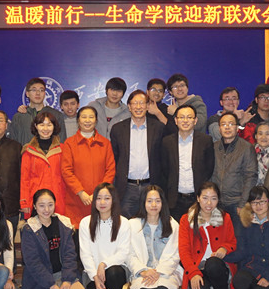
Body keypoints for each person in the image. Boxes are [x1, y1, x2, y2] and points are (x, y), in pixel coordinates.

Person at [20, 189, 88, 289]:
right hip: (42, 280)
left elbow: (70, 254)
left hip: (61, 274)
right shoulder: (29, 229)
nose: (46, 210)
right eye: (41, 205)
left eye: (50, 205)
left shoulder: (63, 224)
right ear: (34, 206)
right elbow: (33, 263)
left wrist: (67, 279)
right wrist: (51, 285)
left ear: (55, 204)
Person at [79, 183, 132, 289]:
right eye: (98, 198)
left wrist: (103, 264)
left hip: (116, 269)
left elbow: (123, 252)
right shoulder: (85, 223)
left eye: (107, 198)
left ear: (113, 200)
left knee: (114, 273)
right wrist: (95, 276)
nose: (102, 202)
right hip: (93, 271)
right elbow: (85, 254)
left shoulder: (123, 222)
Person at [128, 185, 182, 289]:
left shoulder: (172, 224)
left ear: (163, 203)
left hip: (166, 271)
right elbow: (129, 254)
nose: (153, 205)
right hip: (143, 271)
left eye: (157, 201)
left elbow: (176, 254)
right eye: (149, 201)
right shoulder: (132, 225)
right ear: (143, 202)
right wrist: (143, 271)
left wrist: (159, 271)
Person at [110, 90, 164, 218]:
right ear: (129, 106)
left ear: (147, 106)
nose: (138, 107)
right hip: (127, 188)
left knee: (150, 222)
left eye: (142, 103)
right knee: (124, 223)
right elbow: (115, 158)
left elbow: (163, 158)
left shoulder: (158, 128)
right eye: (135, 103)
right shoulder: (118, 129)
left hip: (151, 186)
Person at [61, 106, 116, 228]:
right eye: (84, 117)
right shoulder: (69, 143)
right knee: (77, 234)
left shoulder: (105, 143)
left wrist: (99, 193)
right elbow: (66, 171)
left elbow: (110, 170)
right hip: (76, 200)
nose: (87, 120)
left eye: (91, 117)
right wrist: (80, 192)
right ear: (78, 120)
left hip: (100, 200)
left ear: (96, 120)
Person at [160, 104, 215, 221]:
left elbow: (209, 168)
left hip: (197, 198)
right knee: (176, 231)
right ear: (176, 120)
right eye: (181, 117)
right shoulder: (167, 142)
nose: (185, 121)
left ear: (195, 120)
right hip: (175, 199)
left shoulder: (205, 140)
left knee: (197, 230)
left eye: (189, 117)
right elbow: (164, 169)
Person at [211, 112, 257, 233]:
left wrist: (243, 203)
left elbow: (251, 177)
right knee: (218, 238)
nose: (227, 127)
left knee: (237, 239)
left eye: (231, 124)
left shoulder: (246, 147)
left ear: (237, 128)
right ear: (219, 128)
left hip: (236, 203)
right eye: (223, 124)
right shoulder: (213, 147)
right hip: (216, 203)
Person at [20, 112, 67, 219]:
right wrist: (24, 202)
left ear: (54, 126)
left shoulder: (63, 149)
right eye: (42, 125)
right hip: (36, 199)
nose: (45, 129)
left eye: (49, 125)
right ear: (36, 126)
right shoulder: (28, 150)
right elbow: (24, 179)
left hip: (58, 198)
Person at [11, 77, 67, 145]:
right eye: (34, 90)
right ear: (27, 93)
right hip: (25, 152)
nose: (38, 93)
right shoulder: (18, 117)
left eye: (41, 90)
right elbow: (13, 144)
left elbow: (62, 143)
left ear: (44, 93)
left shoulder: (56, 115)